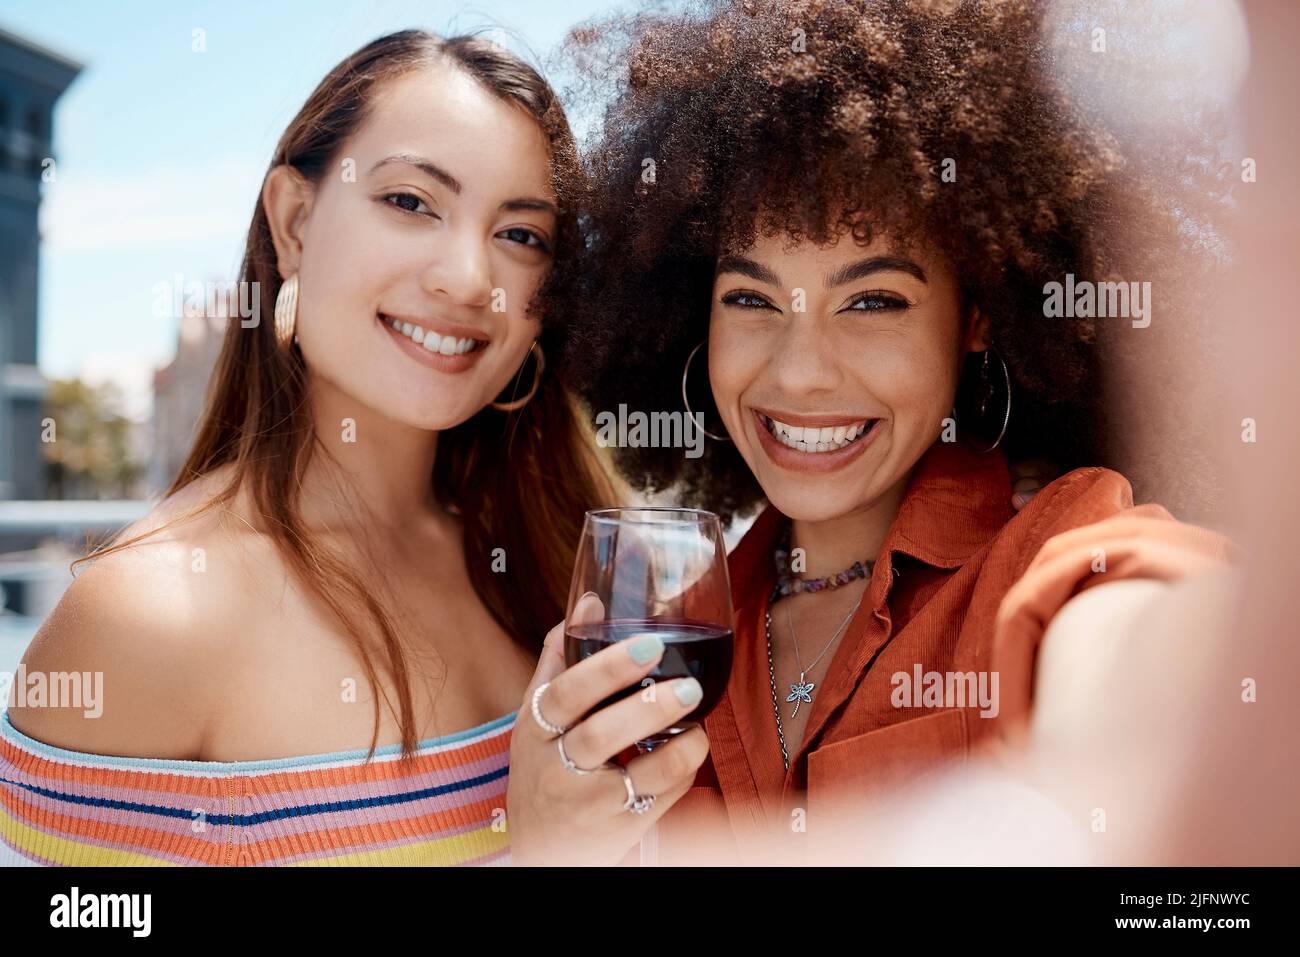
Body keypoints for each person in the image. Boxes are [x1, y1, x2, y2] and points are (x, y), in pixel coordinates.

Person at [0, 29, 707, 867]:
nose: (467, 277)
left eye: (522, 236)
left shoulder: (552, 557)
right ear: (294, 222)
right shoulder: (149, 613)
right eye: (411, 202)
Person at [560, 0, 1238, 864]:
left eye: (872, 301)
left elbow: (1156, 649)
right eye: (752, 298)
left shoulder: (1059, 542)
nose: (799, 371)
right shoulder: (679, 627)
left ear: (979, 317)